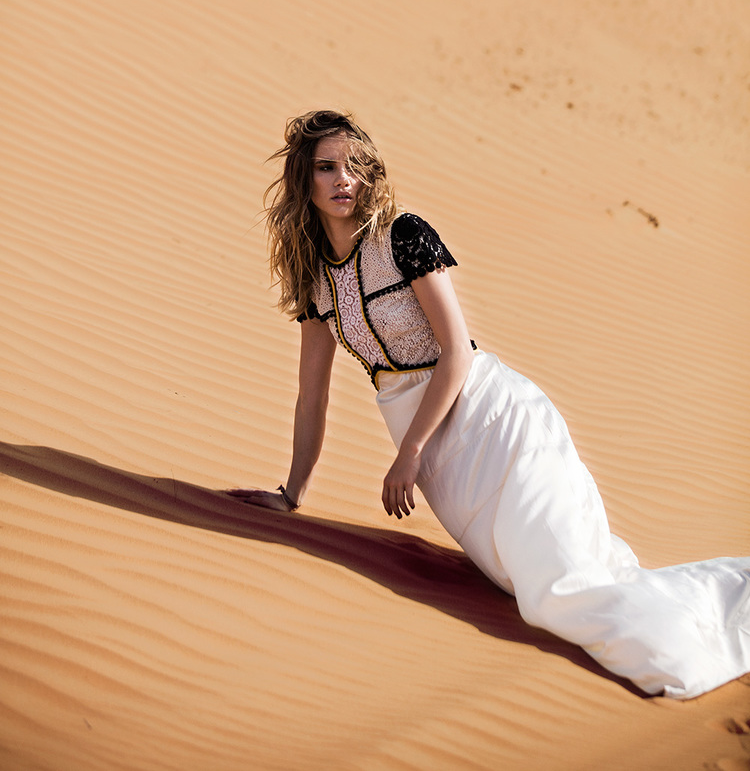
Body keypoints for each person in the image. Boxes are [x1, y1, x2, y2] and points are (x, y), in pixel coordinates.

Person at [228, 109, 750, 699]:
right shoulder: (315, 280)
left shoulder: (402, 236)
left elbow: (456, 351)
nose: (342, 179)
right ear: (304, 180)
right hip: (444, 463)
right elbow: (312, 396)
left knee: (560, 590)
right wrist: (292, 494)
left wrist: (410, 453)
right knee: (519, 581)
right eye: (326, 168)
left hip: (494, 419)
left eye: (353, 166)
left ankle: (696, 643)